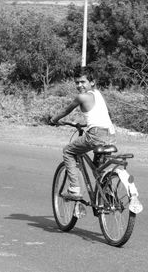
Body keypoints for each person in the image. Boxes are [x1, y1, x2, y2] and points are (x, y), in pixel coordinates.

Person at [49, 70, 116, 200]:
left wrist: (53, 120)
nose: (80, 85)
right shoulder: (98, 94)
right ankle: (108, 194)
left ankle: (74, 189)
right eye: (77, 82)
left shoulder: (82, 97)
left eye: (83, 82)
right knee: (99, 167)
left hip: (96, 135)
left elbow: (65, 111)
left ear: (92, 82)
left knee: (68, 151)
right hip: (110, 134)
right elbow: (108, 113)